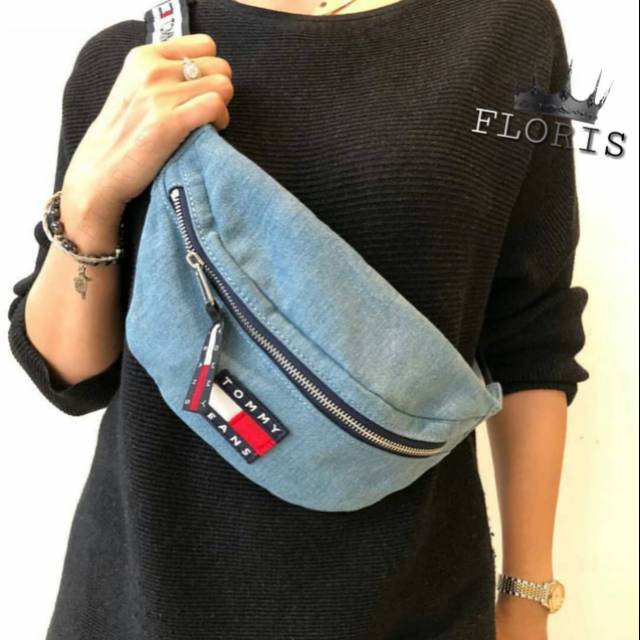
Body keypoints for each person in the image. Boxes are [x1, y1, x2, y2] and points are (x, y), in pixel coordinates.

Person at [6, 0, 589, 638]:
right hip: (143, 602)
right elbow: (71, 374)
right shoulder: (141, 55)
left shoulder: (507, 29)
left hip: (409, 603)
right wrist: (90, 194)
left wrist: (526, 599)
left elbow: (530, 335)